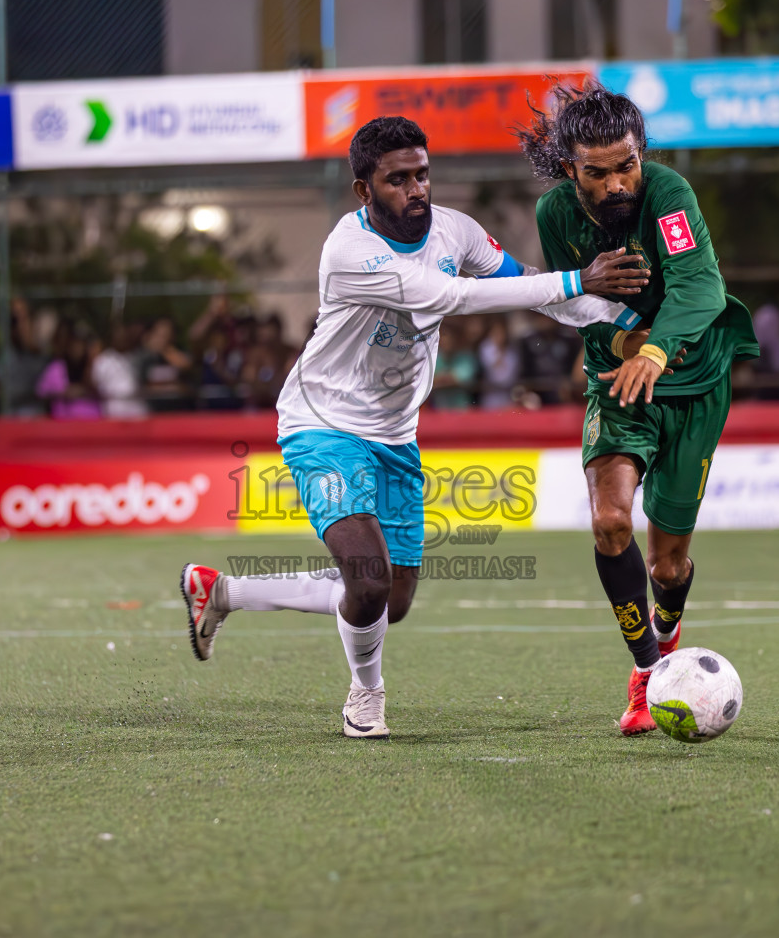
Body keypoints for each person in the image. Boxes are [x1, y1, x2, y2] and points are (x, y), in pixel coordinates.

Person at [177, 115, 647, 739]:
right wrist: (578, 277)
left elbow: (531, 292)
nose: (416, 189)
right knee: (367, 579)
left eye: (422, 174)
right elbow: (449, 296)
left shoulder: (455, 230)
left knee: (388, 600)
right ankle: (365, 698)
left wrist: (621, 320)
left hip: (395, 433)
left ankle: (224, 593)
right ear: (363, 190)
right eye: (397, 180)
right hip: (323, 422)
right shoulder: (350, 251)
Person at [518, 82, 759, 736]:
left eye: (627, 165)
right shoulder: (555, 216)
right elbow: (572, 304)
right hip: (618, 387)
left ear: (641, 155)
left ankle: (670, 623)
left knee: (667, 564)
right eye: (597, 173)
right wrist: (618, 342)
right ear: (571, 169)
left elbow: (699, 286)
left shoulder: (668, 194)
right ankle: (649, 672)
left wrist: (652, 350)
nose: (618, 183)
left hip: (694, 385)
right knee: (611, 523)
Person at [92, 321, 149, 419]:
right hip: (114, 407)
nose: (122, 338)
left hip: (135, 407)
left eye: (124, 334)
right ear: (112, 338)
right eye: (118, 335)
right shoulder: (103, 359)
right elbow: (94, 383)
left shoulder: (134, 357)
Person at [476, 315, 521, 410]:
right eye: (495, 333)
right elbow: (491, 370)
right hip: (490, 394)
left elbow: (509, 375)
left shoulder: (511, 351)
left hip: (507, 394)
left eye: (501, 333)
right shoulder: (485, 348)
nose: (499, 336)